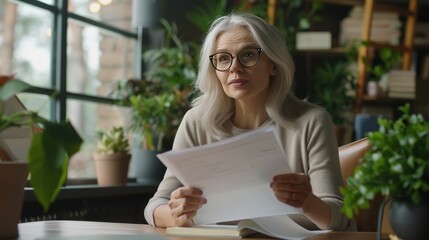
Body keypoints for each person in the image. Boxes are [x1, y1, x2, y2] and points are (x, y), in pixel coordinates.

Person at [144, 12, 356, 231]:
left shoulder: (311, 121)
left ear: (273, 64)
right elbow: (155, 206)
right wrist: (176, 214)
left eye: (247, 55)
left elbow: (339, 217)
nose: (234, 67)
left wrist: (308, 203)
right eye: (223, 58)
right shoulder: (197, 122)